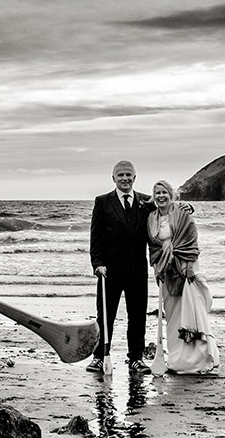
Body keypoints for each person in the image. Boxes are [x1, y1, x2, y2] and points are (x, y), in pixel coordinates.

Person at [146, 179, 220, 374]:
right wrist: (158, 266)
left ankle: (196, 361)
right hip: (166, 270)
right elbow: (153, 247)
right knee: (171, 314)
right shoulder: (152, 217)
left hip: (186, 267)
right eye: (157, 193)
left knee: (190, 311)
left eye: (164, 192)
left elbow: (191, 240)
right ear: (153, 197)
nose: (161, 196)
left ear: (171, 194)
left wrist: (187, 266)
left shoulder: (182, 214)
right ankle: (177, 360)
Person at [87, 160, 153, 375]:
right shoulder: (103, 202)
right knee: (105, 316)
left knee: (138, 316)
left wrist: (186, 207)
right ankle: (99, 357)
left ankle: (136, 359)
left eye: (128, 175)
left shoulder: (145, 202)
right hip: (109, 271)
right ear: (113, 178)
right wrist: (97, 264)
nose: (125, 178)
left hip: (137, 270)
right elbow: (95, 237)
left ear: (135, 177)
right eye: (120, 175)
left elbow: (167, 209)